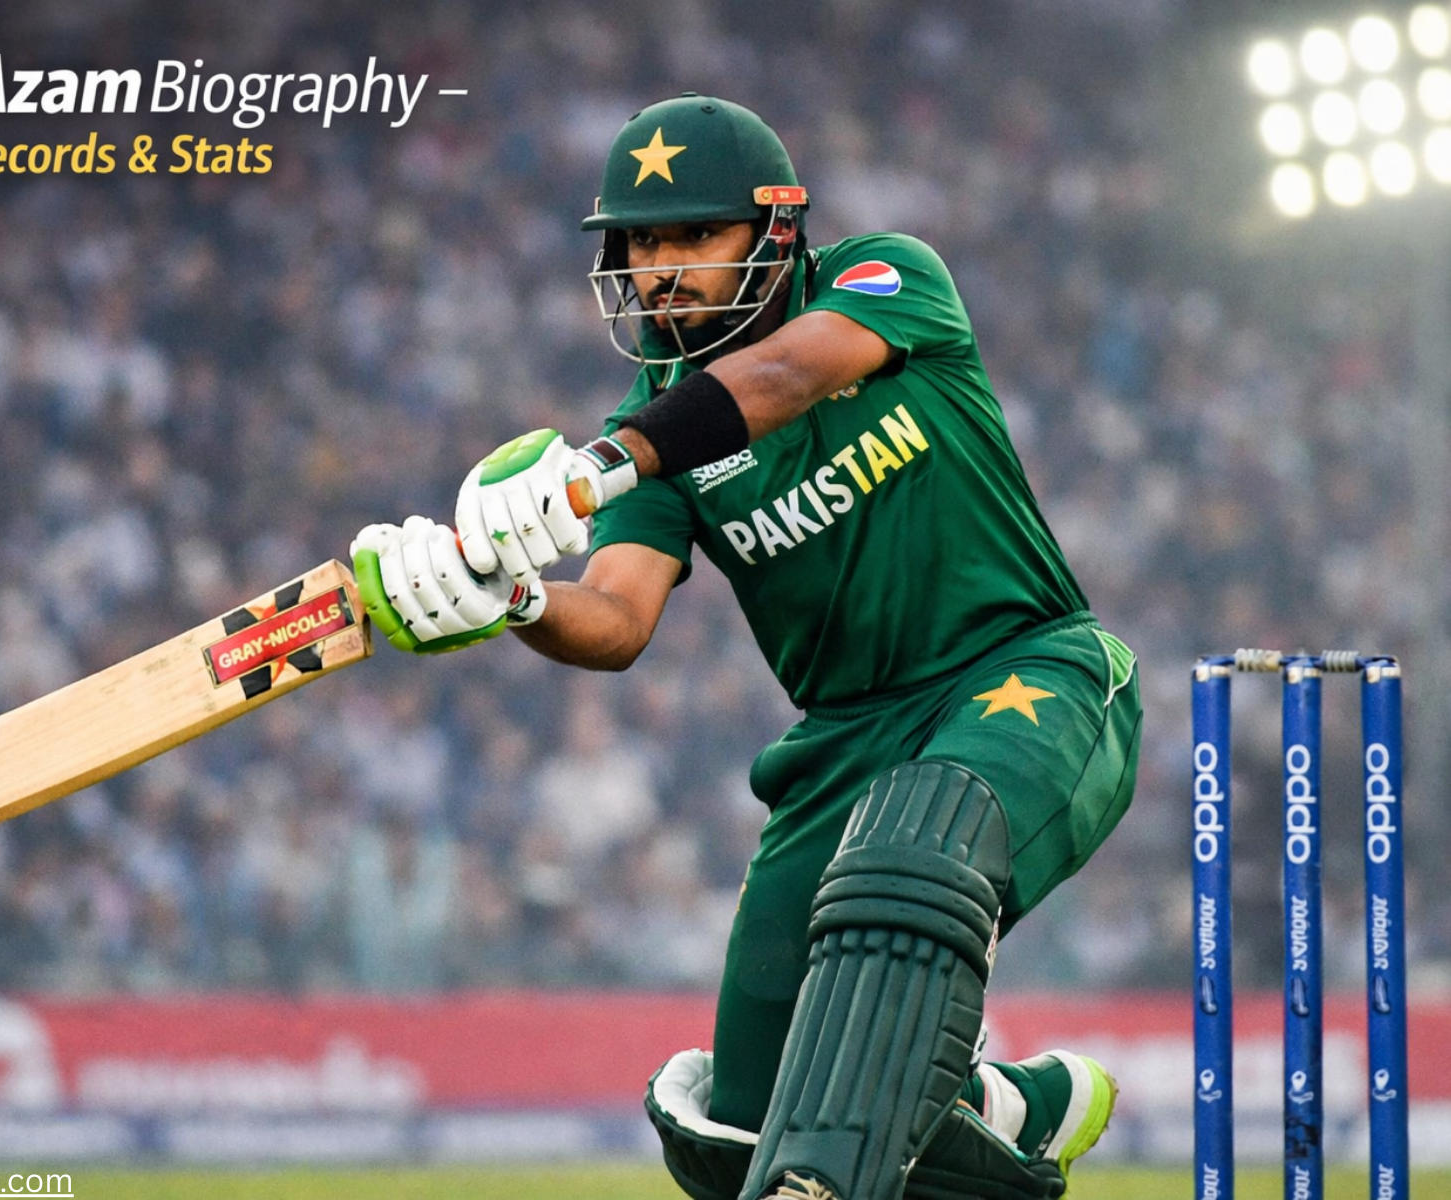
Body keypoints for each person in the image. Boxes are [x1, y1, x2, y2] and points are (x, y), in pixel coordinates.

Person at [352, 94, 1141, 1200]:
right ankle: (1009, 1110)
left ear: (776, 231)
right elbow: (615, 621)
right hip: (841, 749)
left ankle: (970, 1111)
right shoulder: (650, 430)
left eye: (694, 236)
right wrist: (512, 597)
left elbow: (784, 377)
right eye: (641, 244)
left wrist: (597, 469)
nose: (660, 269)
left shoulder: (882, 277)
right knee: (745, 1134)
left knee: (918, 846)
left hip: (1027, 674)